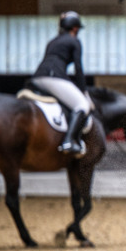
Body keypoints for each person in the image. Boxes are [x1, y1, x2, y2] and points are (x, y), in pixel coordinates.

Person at [30, 11, 92, 156]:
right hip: (53, 77)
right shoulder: (74, 41)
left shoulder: (53, 41)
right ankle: (69, 141)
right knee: (82, 105)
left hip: (37, 78)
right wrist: (84, 92)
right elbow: (78, 68)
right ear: (75, 28)